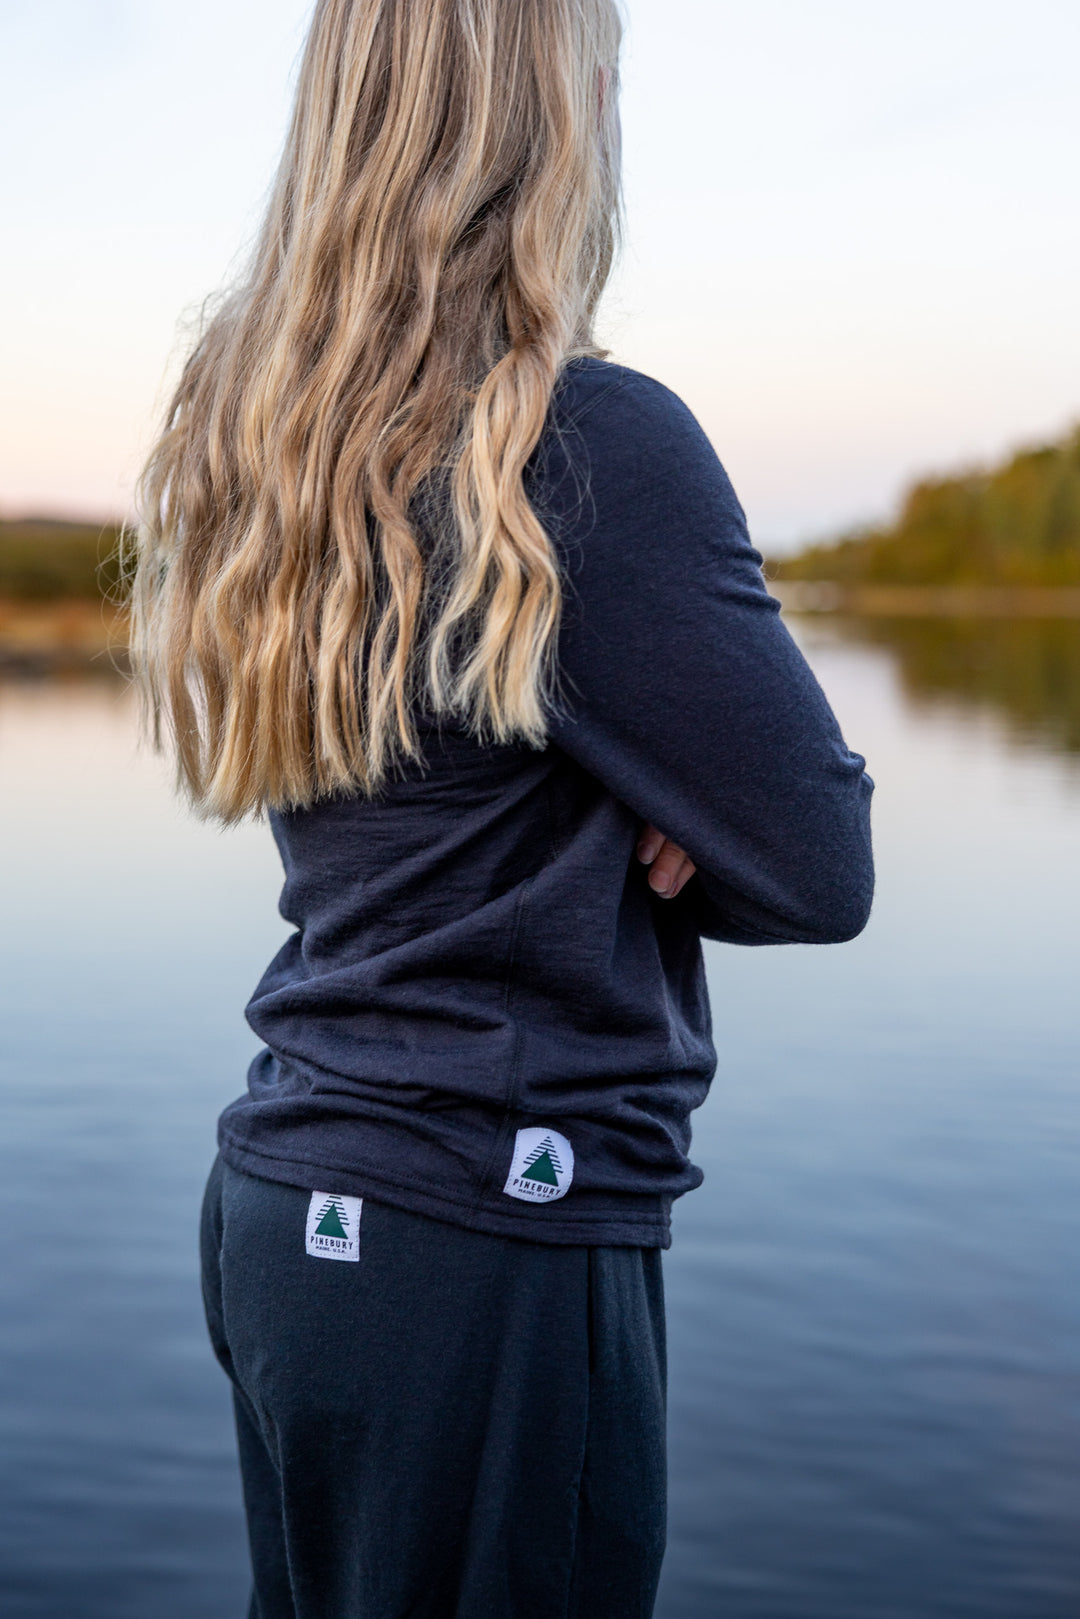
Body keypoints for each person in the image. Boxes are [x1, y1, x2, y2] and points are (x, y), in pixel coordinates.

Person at [130, 1, 874, 1614]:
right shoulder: (586, 439)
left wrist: (658, 790)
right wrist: (658, 809)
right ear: (555, 106)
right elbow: (818, 859)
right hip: (492, 1231)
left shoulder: (268, 436)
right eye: (604, 64)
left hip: (286, 1211)